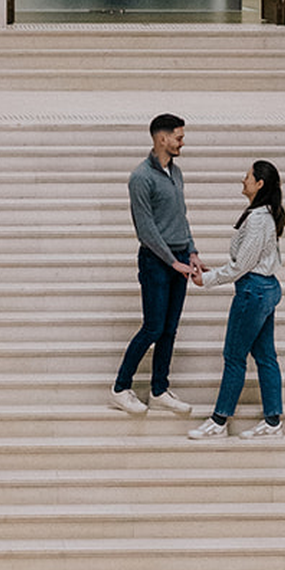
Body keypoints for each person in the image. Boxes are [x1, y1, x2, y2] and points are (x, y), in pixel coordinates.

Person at [187, 159, 285, 441]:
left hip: (253, 291)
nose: (243, 180)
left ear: (259, 184)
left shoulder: (257, 219)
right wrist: (215, 272)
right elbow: (246, 262)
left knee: (234, 356)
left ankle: (219, 421)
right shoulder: (264, 214)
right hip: (264, 288)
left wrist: (206, 280)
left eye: (248, 176)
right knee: (266, 357)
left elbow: (242, 265)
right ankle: (272, 421)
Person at [109, 113, 200, 415]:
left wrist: (192, 252)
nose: (182, 142)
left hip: (179, 262)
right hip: (156, 263)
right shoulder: (140, 178)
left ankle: (159, 389)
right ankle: (120, 388)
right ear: (162, 138)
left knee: (170, 329)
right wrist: (172, 261)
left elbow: (181, 218)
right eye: (178, 136)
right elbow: (146, 230)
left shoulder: (177, 173)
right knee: (153, 327)